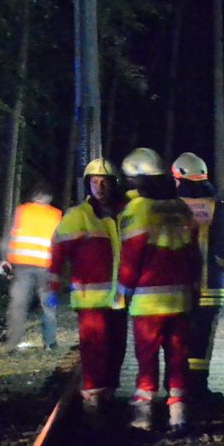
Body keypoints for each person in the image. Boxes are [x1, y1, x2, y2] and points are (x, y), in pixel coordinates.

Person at [118, 148, 198, 432]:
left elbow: (131, 256)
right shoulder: (180, 207)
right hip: (180, 299)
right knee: (178, 357)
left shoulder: (138, 210)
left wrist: (122, 293)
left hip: (148, 302)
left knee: (147, 358)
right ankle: (178, 413)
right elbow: (193, 252)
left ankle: (144, 415)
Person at [47, 158, 127, 416]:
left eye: (104, 182)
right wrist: (52, 284)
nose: (99, 187)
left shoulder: (126, 213)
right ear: (87, 185)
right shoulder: (78, 216)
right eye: (94, 182)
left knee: (117, 348)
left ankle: (109, 394)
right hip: (90, 300)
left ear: (114, 184)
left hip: (120, 299)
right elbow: (58, 251)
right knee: (94, 350)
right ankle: (92, 399)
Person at [172, 152, 224, 404]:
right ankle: (199, 389)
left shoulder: (171, 205)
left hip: (176, 287)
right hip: (210, 287)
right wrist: (222, 266)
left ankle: (177, 389)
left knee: (177, 339)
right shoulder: (215, 204)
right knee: (202, 339)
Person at [0, 182, 63, 351]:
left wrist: (4, 259)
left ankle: (12, 344)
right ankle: (50, 343)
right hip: (46, 267)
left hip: (22, 266)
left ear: (34, 196)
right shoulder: (56, 214)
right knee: (49, 304)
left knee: (18, 304)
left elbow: (9, 236)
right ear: (49, 198)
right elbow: (60, 242)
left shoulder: (22, 211)